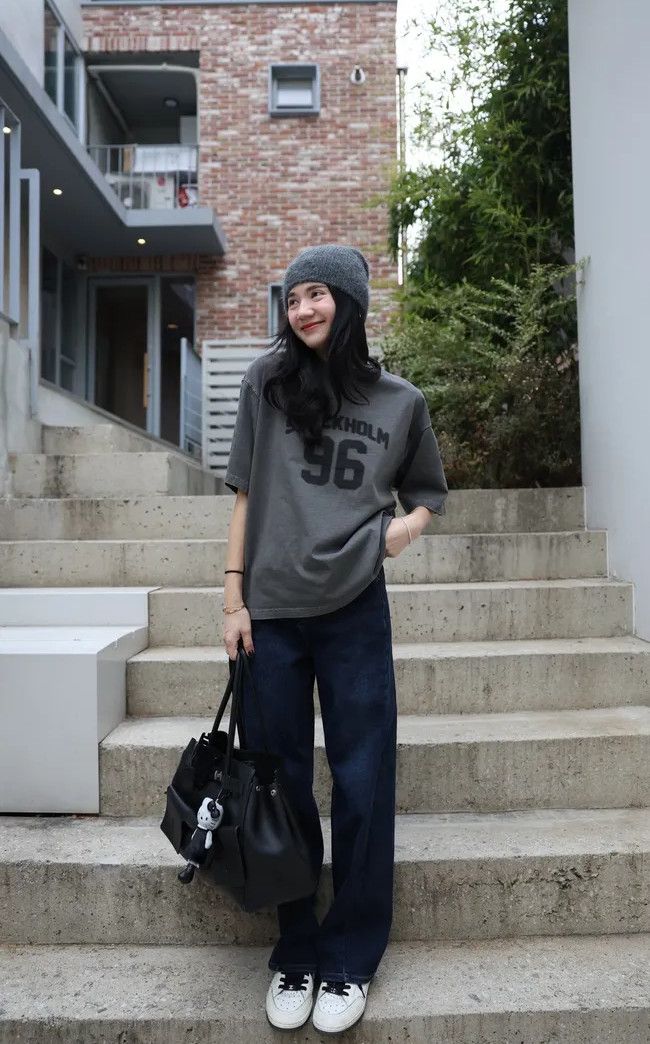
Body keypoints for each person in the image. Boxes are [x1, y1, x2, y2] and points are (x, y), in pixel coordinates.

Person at [223, 244, 448, 1034]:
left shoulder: (399, 401)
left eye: (316, 294)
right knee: (279, 786)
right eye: (292, 300)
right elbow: (244, 494)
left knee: (362, 781)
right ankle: (296, 949)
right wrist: (232, 597)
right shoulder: (266, 383)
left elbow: (429, 493)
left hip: (354, 608)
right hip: (271, 612)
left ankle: (350, 957)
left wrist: (398, 534)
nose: (302, 311)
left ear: (348, 303)